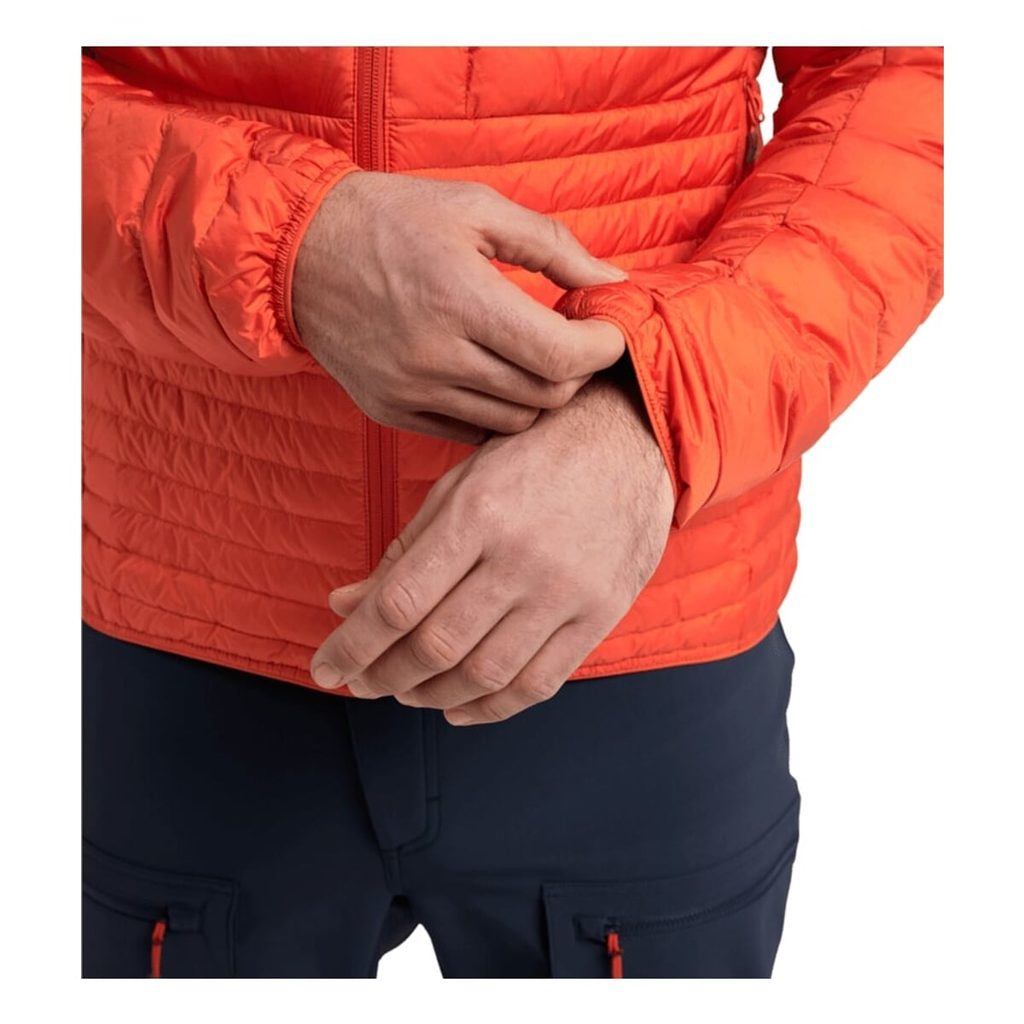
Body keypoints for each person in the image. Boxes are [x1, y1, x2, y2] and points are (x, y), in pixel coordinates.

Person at [81, 45, 943, 978]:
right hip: (175, 643)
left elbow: (918, 71)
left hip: (642, 625)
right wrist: (280, 242)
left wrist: (658, 408)